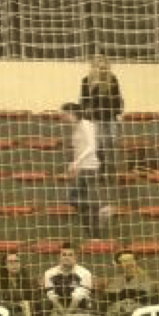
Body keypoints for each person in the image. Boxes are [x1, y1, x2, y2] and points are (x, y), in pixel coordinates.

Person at [60, 102, 104, 238]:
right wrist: (75, 166)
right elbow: (77, 150)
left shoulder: (86, 125)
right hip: (82, 168)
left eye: (64, 114)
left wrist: (76, 162)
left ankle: (100, 209)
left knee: (73, 198)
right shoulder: (76, 127)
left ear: (72, 113)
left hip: (90, 167)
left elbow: (92, 146)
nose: (63, 117)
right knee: (79, 203)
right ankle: (93, 236)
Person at [78, 55, 123, 177]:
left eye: (104, 67)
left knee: (111, 141)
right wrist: (95, 87)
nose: (102, 69)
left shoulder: (112, 79)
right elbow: (84, 100)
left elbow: (117, 97)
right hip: (95, 117)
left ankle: (110, 166)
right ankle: (102, 167)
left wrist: (118, 112)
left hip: (110, 116)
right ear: (94, 67)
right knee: (99, 143)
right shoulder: (86, 81)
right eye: (99, 66)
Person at [42, 243, 93, 314]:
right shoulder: (49, 273)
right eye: (64, 255)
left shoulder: (85, 273)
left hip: (80, 309)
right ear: (59, 257)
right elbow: (52, 297)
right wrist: (63, 314)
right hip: (58, 309)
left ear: (76, 257)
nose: (67, 257)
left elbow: (77, 298)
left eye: (70, 255)